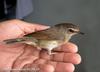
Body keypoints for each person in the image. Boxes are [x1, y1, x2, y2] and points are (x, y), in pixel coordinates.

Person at [0, 19, 81, 72]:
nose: (74, 33)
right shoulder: (62, 36)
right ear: (66, 30)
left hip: (37, 39)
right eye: (71, 31)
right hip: (38, 40)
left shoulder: (59, 31)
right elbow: (42, 35)